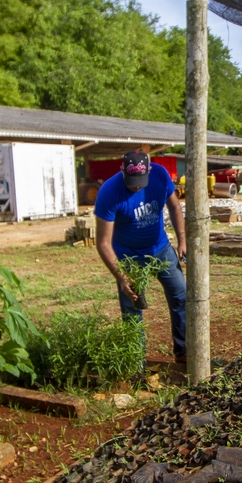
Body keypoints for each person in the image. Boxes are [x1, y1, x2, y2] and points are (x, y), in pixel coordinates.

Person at [94, 150, 188, 362]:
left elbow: (174, 206)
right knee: (132, 307)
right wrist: (121, 277)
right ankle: (136, 362)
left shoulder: (160, 175)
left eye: (141, 180)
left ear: (149, 170)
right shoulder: (109, 192)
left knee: (181, 295)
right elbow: (103, 243)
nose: (137, 186)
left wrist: (182, 240)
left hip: (161, 249)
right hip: (129, 257)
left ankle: (183, 351)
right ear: (121, 171)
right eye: (132, 181)